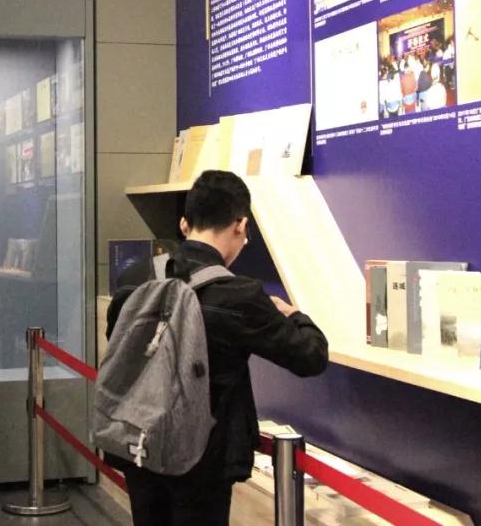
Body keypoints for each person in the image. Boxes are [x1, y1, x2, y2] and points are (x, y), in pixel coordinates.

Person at [107, 170, 329, 526]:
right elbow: (311, 357)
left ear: (184, 223)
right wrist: (295, 315)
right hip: (203, 460)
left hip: (140, 443)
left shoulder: (136, 278)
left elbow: (116, 339)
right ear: (240, 225)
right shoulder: (239, 295)